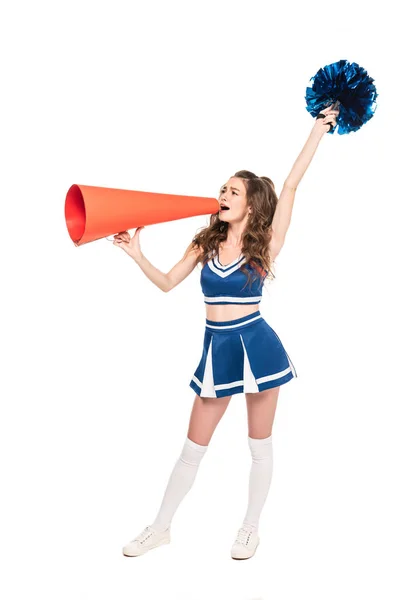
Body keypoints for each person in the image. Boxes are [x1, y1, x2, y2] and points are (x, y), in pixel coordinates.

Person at [114, 105, 339, 560]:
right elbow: (167, 284)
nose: (223, 194)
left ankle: (250, 528)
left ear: (251, 204)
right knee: (192, 449)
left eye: (232, 190)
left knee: (259, 444)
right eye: (222, 188)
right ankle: (160, 528)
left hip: (258, 347)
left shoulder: (266, 244)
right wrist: (137, 255)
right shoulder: (205, 242)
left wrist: (316, 130)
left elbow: (291, 184)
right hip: (217, 350)